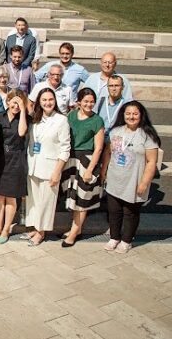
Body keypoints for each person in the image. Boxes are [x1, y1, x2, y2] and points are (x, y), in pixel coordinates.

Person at [101, 101, 160, 254]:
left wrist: (144, 183)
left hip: (134, 180)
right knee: (114, 211)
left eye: (135, 114)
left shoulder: (147, 135)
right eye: (128, 113)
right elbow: (108, 152)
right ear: (123, 115)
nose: (131, 117)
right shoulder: (116, 131)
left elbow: (151, 161)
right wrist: (103, 171)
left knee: (130, 213)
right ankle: (114, 237)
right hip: (115, 179)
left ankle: (126, 240)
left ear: (141, 115)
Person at [23, 88, 70, 246]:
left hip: (50, 168)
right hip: (34, 165)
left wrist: (57, 171)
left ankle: (41, 232)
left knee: (46, 202)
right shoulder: (35, 119)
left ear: (55, 101)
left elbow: (65, 148)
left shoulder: (61, 120)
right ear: (39, 102)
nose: (47, 103)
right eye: (44, 100)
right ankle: (35, 228)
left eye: (50, 99)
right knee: (34, 201)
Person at [60, 88, 105, 247]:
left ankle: (74, 233)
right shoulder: (71, 116)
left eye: (92, 101)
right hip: (71, 159)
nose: (89, 104)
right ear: (79, 102)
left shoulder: (97, 120)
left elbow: (99, 148)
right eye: (85, 101)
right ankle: (76, 228)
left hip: (87, 160)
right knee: (73, 196)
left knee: (83, 198)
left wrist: (90, 170)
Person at [0, 90, 29, 244]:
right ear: (8, 102)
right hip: (0, 161)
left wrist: (23, 110)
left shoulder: (24, 118)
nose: (16, 106)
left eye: (19, 103)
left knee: (11, 197)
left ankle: (6, 229)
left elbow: (21, 132)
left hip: (16, 161)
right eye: (14, 102)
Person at [97, 75, 128, 140]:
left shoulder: (127, 105)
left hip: (118, 140)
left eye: (117, 86)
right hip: (100, 139)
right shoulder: (99, 102)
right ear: (107, 87)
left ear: (122, 87)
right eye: (111, 86)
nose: (114, 89)